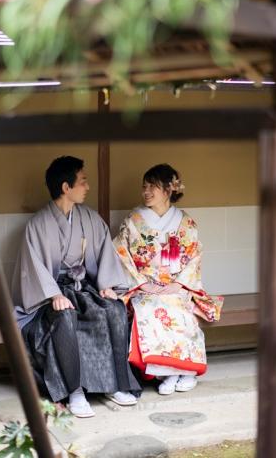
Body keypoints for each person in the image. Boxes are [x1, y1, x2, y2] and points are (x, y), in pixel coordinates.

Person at [12, 156, 140, 417]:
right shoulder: (37, 225)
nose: (88, 187)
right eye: (83, 181)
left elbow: (105, 255)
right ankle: (75, 391)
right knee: (65, 316)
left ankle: (115, 384)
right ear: (65, 187)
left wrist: (107, 285)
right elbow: (33, 268)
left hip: (82, 288)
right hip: (50, 295)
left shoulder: (90, 219)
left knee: (114, 310)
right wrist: (54, 295)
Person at [113, 163, 223, 395]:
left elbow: (194, 257)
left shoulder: (186, 222)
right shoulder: (134, 220)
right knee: (150, 308)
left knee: (181, 309)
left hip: (177, 283)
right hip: (145, 285)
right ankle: (170, 373)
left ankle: (186, 372)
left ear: (169, 190)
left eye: (153, 186)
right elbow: (121, 253)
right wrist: (143, 283)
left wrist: (179, 284)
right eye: (144, 186)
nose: (146, 191)